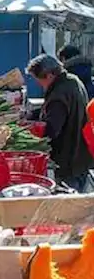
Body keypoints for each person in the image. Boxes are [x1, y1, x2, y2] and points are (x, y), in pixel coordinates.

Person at [27, 54, 94, 191]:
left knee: (70, 198)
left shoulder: (59, 93)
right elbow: (55, 109)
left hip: (69, 157)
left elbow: (51, 130)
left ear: (49, 75)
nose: (38, 84)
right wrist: (32, 114)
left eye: (38, 80)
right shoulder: (72, 80)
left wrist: (32, 133)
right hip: (81, 153)